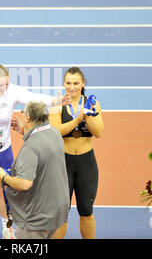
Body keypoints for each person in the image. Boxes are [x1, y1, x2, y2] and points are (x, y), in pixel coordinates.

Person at [0, 64, 71, 239]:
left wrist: (55, 101)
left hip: (1, 147)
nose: (5, 88)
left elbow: (32, 97)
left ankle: (7, 227)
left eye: (7, 84)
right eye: (1, 84)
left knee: (4, 188)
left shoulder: (12, 91)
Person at [0, 101, 70, 239]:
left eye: (23, 112)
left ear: (27, 118)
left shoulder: (31, 147)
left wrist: (3, 178)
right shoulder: (55, 134)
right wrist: (25, 130)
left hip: (36, 219)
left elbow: (24, 183)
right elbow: (41, 148)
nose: (21, 114)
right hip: (56, 213)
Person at [50, 67, 104, 239]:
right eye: (68, 83)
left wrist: (89, 114)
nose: (71, 87)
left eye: (75, 83)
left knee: (86, 211)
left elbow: (99, 132)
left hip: (86, 164)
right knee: (61, 213)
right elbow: (55, 131)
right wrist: (78, 119)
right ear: (64, 84)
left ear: (83, 84)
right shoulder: (58, 104)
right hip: (63, 163)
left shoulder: (92, 103)